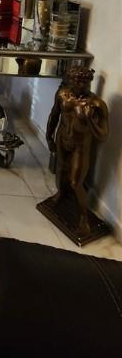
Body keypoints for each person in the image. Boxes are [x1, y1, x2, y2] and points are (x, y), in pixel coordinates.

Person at [46, 67, 109, 236]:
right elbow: (54, 115)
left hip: (80, 146)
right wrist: (48, 137)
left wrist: (90, 120)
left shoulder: (96, 104)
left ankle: (83, 218)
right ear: (69, 80)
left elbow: (103, 135)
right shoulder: (63, 94)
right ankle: (60, 192)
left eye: (84, 81)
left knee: (76, 182)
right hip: (62, 138)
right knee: (60, 169)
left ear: (89, 82)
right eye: (75, 80)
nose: (79, 84)